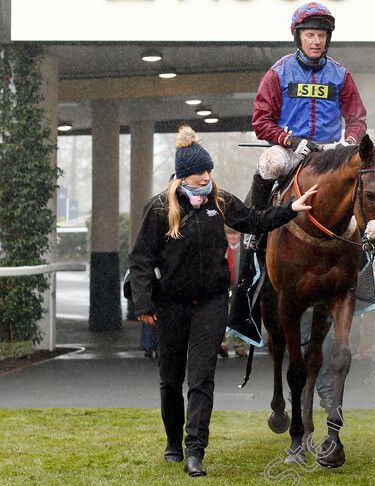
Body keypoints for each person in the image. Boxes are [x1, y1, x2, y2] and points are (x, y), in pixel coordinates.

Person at [129, 126, 317, 477]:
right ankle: (173, 441)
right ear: (185, 174)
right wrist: (143, 304)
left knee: (202, 378)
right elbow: (141, 260)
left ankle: (194, 450)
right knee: (171, 380)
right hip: (169, 304)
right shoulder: (158, 208)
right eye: (202, 172)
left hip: (211, 303)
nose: (208, 177)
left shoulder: (220, 200)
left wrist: (290, 209)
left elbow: (256, 221)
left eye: (210, 171)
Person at [230, 1, 367, 337]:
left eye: (321, 35)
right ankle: (256, 232)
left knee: (362, 177)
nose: (316, 41)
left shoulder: (341, 74)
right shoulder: (277, 73)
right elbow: (261, 121)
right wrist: (288, 141)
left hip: (329, 154)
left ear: (327, 38)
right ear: (299, 37)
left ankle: (364, 245)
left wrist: (348, 141)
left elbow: (358, 118)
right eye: (310, 35)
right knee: (268, 163)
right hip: (290, 150)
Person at [219, 227, 246, 358]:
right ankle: (223, 343)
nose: (233, 237)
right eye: (230, 234)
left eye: (235, 234)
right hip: (225, 287)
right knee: (224, 315)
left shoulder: (244, 250)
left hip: (239, 287)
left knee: (239, 315)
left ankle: (239, 345)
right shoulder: (222, 249)